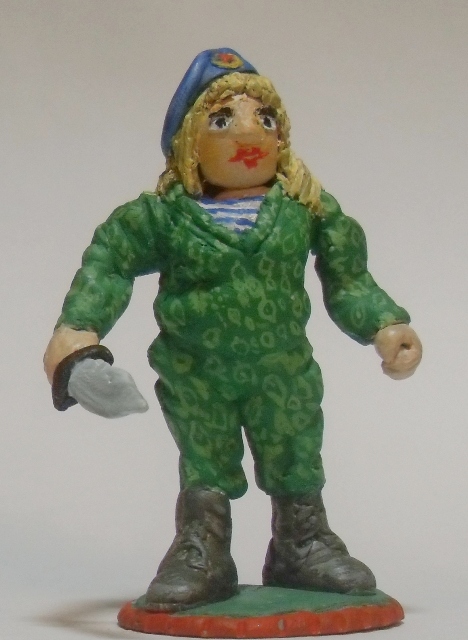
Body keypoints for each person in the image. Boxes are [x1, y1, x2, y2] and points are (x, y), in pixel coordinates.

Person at [44, 48, 422, 612]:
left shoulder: (305, 210)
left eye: (264, 119)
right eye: (221, 120)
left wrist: (385, 325)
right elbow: (108, 265)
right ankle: (203, 548)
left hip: (283, 372)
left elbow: (348, 278)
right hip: (197, 373)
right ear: (189, 142)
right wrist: (78, 336)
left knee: (294, 450)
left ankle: (302, 542)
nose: (248, 133)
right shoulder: (162, 216)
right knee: (206, 459)